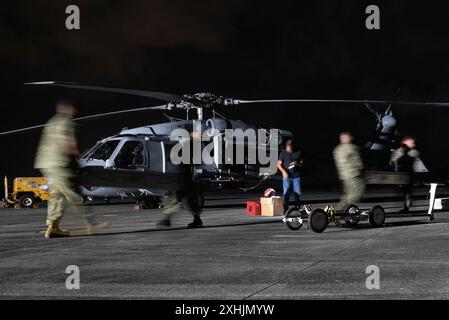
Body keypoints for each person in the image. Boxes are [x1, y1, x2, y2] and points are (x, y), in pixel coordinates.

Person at [35, 100, 101, 238]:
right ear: (72, 109)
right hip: (61, 164)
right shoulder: (67, 121)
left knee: (56, 196)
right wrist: (79, 158)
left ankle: (53, 227)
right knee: (75, 194)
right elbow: (67, 143)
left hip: (47, 164)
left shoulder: (53, 120)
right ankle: (91, 224)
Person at [157, 131, 203, 228]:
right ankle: (168, 219)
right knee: (183, 200)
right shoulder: (185, 148)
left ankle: (167, 219)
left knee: (176, 199)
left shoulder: (183, 149)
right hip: (182, 178)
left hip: (181, 178)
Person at [333, 132, 365, 211]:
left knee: (348, 193)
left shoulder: (337, 149)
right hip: (353, 175)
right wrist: (361, 170)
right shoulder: (351, 147)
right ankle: (340, 209)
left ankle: (342, 209)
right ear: (343, 138)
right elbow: (357, 162)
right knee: (357, 193)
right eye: (349, 137)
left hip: (344, 176)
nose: (351, 138)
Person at [390, 136, 420, 213]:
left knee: (407, 192)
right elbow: (393, 163)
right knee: (406, 192)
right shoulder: (402, 152)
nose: (413, 145)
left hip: (406, 175)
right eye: (412, 143)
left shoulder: (410, 152)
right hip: (403, 175)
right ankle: (406, 206)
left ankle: (406, 206)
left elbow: (392, 163)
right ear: (404, 143)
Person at [277, 139, 303, 212]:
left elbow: (301, 164)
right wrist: (284, 172)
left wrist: (296, 163)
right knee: (286, 193)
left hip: (296, 177)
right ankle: (285, 209)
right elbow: (279, 164)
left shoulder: (297, 152)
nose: (288, 148)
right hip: (286, 177)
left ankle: (297, 209)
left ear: (292, 146)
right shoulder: (283, 153)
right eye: (287, 147)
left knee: (297, 193)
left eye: (290, 147)